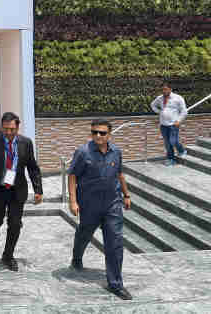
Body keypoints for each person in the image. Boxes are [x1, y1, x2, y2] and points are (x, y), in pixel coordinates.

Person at [68, 119, 133, 301]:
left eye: (102, 133)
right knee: (84, 233)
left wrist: (126, 195)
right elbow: (72, 176)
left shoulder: (116, 152)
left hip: (112, 204)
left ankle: (115, 284)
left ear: (109, 135)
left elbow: (120, 174)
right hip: (89, 204)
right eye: (94, 132)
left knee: (114, 243)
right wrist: (73, 201)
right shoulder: (83, 152)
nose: (97, 135)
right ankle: (77, 256)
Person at [0, 112, 43, 271]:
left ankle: (8, 255)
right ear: (2, 127)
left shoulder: (26, 143)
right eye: (6, 129)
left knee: (15, 224)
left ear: (17, 127)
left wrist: (38, 190)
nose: (9, 133)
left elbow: (32, 167)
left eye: (12, 129)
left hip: (17, 190)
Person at [150, 81, 188, 166]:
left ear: (170, 89)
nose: (164, 91)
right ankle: (171, 159)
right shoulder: (160, 98)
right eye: (163, 89)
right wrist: (159, 112)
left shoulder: (178, 98)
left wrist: (179, 120)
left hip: (173, 124)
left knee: (173, 141)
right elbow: (153, 105)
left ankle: (181, 150)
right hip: (163, 124)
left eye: (166, 89)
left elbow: (184, 111)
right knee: (167, 143)